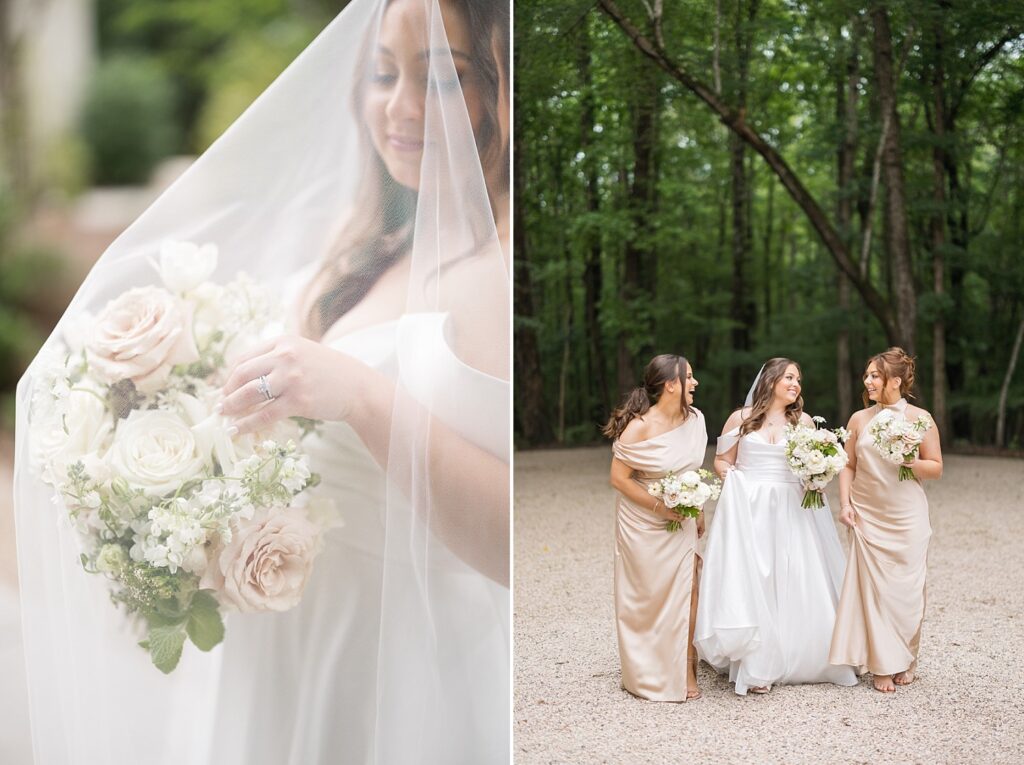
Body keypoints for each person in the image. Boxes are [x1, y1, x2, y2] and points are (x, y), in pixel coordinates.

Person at [14, 1, 510, 762]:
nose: (401, 107)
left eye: (445, 77)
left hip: (404, 660)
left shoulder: (505, 274)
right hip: (289, 640)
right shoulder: (372, 235)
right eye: (383, 73)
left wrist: (365, 398)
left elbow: (512, 545)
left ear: (504, 88)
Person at [694, 358, 856, 695]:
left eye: (799, 378)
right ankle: (757, 661)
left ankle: (805, 654)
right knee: (756, 577)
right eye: (789, 377)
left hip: (792, 506)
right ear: (769, 381)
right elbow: (722, 460)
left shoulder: (805, 422)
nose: (796, 384)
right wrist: (732, 479)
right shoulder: (741, 418)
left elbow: (819, 466)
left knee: (797, 574)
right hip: (751, 507)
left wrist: (817, 477)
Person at [830, 348, 942, 693]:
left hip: (907, 514)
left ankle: (906, 657)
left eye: (874, 376)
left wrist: (908, 459)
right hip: (868, 513)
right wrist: (845, 503)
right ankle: (881, 663)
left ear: (895, 380)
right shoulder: (858, 419)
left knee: (907, 590)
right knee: (874, 590)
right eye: (867, 376)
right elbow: (848, 465)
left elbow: (935, 467)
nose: (867, 381)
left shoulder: (920, 418)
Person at [604, 354, 707, 701]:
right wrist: (661, 508)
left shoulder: (696, 420)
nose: (695, 383)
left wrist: (699, 505)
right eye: (689, 377)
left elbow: (692, 468)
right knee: (648, 597)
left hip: (684, 515)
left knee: (690, 583)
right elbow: (619, 479)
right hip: (643, 521)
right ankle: (647, 668)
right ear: (671, 384)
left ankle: (687, 664)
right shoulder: (640, 427)